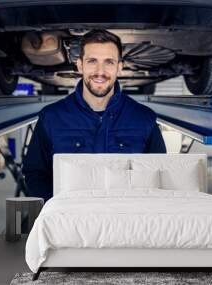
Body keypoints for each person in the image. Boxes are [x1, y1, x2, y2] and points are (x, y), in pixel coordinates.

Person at [22, 29, 166, 201]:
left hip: (126, 221)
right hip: (70, 222)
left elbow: (159, 177)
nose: (100, 71)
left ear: (119, 67)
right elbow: (35, 174)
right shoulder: (51, 117)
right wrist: (56, 211)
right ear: (80, 65)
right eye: (92, 61)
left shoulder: (144, 119)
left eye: (109, 62)